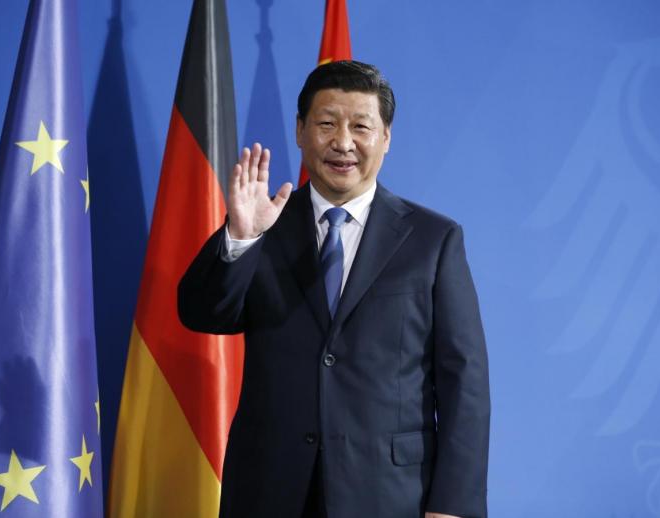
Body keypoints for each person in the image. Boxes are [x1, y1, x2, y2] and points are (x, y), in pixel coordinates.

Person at [178, 60, 490, 518]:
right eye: (326, 124)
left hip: (389, 493)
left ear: (385, 138)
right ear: (301, 131)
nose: (343, 142)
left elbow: (465, 382)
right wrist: (241, 237)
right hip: (270, 488)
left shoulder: (433, 240)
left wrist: (453, 505)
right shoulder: (265, 223)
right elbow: (202, 314)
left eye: (361, 126)